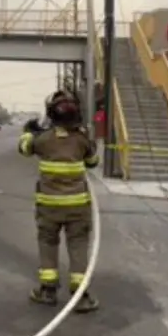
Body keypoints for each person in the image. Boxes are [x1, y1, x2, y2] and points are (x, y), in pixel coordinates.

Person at [17, 90, 100, 313]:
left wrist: (29, 132)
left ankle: (47, 291)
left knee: (47, 243)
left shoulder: (42, 140)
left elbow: (24, 148)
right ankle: (80, 296)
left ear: (51, 114)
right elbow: (93, 162)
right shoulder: (83, 140)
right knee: (78, 245)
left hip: (49, 207)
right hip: (78, 207)